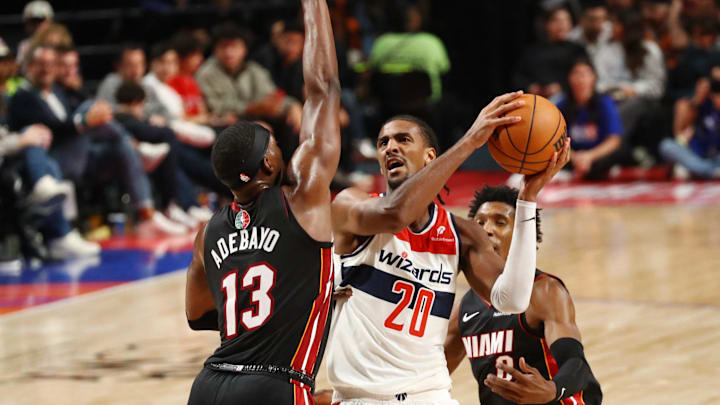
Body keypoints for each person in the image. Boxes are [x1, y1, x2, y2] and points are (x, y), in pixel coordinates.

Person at [324, 97, 571, 404]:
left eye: (403, 140)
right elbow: (395, 214)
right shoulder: (351, 206)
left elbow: (513, 300)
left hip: (431, 395)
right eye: (383, 142)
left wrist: (528, 198)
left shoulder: (461, 234)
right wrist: (469, 142)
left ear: (430, 157)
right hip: (362, 397)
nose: (390, 147)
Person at [185, 0, 341, 403]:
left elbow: (198, 315)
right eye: (274, 141)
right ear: (270, 160)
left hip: (208, 386)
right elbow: (322, 88)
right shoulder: (303, 200)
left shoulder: (207, 234)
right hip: (274, 384)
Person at [443, 184, 602, 405]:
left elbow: (576, 364)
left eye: (500, 222)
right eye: (479, 223)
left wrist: (553, 389)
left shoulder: (544, 291)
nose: (487, 230)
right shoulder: (465, 309)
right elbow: (431, 374)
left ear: (522, 236)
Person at [556, 57, 624, 180]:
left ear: (594, 78)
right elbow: (553, 141)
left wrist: (589, 156)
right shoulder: (562, 105)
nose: (581, 79)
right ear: (569, 78)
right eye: (576, 74)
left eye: (586, 74)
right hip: (572, 157)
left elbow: (614, 140)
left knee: (618, 154)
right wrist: (575, 156)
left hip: (598, 156)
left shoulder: (604, 102)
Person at [513, 6, 587, 100]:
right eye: (556, 20)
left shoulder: (577, 50)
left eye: (566, 20)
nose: (562, 25)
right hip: (537, 100)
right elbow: (518, 77)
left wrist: (561, 87)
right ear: (547, 24)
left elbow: (585, 76)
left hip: (570, 101)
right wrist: (530, 86)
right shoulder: (533, 51)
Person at [660, 65, 720, 179]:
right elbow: (680, 133)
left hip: (717, 156)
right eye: (715, 85)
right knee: (666, 145)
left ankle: (698, 171)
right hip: (697, 154)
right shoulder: (702, 103)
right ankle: (708, 171)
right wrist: (697, 99)